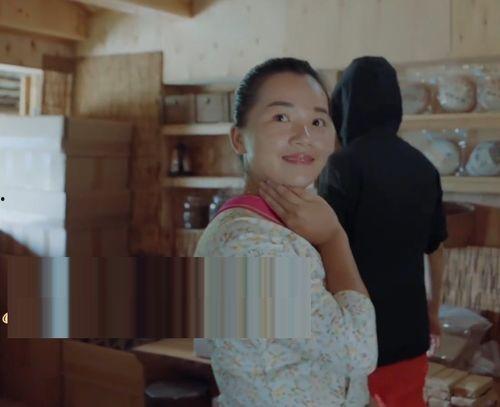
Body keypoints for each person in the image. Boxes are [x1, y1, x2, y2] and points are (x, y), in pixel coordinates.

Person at [195, 57, 377, 406]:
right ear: (239, 139)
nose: (304, 136)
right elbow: (358, 353)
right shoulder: (248, 246)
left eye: (318, 121)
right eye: (281, 117)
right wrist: (334, 237)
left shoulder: (276, 226)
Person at [318, 56, 448, 407]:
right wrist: (433, 312)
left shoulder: (341, 166)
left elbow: (322, 251)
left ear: (345, 104)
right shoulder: (424, 167)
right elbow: (436, 250)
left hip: (358, 338)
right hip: (411, 332)